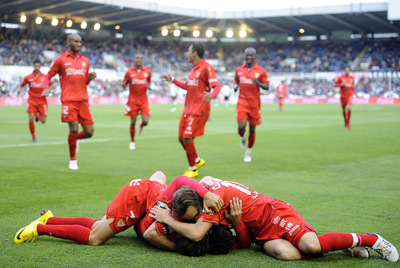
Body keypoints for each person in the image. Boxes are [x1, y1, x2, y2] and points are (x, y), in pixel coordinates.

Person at [150, 176, 399, 263]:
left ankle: (373, 240)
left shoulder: (211, 202)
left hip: (274, 214)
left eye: (196, 217)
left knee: (310, 246)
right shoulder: (205, 191)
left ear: (200, 202)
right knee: (287, 254)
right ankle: (348, 246)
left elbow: (195, 235)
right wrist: (237, 222)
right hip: (260, 233)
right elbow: (185, 179)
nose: (197, 222)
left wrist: (164, 218)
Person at [13, 172, 223, 246]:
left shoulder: (182, 198)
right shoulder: (164, 211)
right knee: (95, 238)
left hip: (146, 192)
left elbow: (164, 175)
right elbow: (148, 234)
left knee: (98, 225)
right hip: (134, 199)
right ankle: (38, 229)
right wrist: (206, 194)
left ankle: (50, 219)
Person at [161, 43, 221, 178]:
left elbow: (216, 86)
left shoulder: (207, 67)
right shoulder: (193, 69)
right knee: (181, 139)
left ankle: (192, 169)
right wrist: (173, 80)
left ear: (194, 53)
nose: (187, 54)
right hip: (188, 108)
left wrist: (211, 95)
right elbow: (188, 86)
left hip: (199, 109)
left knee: (187, 137)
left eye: (188, 51)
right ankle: (197, 160)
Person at [42, 34, 96, 170]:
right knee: (73, 128)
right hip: (69, 100)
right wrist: (45, 87)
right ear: (69, 42)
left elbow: (84, 82)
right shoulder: (61, 60)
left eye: (80, 42)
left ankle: (75, 139)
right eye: (76, 41)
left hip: (83, 100)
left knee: (89, 132)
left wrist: (89, 79)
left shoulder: (85, 61)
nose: (79, 44)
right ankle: (73, 160)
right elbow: (48, 76)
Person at [234, 47, 269, 162]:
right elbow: (237, 81)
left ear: (255, 56)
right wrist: (236, 86)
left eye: (251, 55)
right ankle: (243, 136)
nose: (249, 57)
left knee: (252, 130)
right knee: (241, 126)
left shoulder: (261, 71)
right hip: (242, 103)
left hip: (254, 105)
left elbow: (267, 86)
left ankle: (248, 151)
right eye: (247, 55)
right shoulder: (239, 69)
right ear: (244, 56)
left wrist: (258, 83)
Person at [122, 54, 152, 150]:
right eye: (137, 58)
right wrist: (122, 85)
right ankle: (132, 141)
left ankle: (141, 125)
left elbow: (148, 82)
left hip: (143, 100)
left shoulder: (147, 71)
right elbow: (124, 84)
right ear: (134, 59)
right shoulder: (129, 72)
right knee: (133, 121)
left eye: (141, 58)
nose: (139, 60)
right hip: (133, 100)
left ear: (143, 60)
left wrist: (148, 87)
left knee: (146, 121)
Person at [17, 60, 52, 142]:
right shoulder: (28, 77)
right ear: (33, 66)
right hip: (32, 100)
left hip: (42, 101)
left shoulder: (44, 77)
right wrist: (19, 90)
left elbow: (50, 85)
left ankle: (38, 115)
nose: (36, 67)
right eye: (35, 66)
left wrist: (48, 91)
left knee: (43, 121)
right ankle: (33, 136)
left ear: (40, 67)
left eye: (38, 66)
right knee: (30, 118)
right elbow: (21, 85)